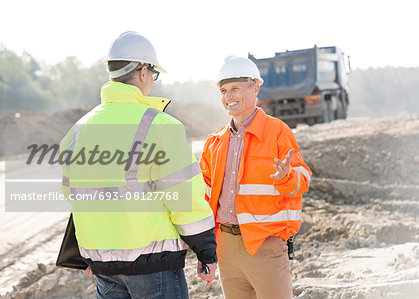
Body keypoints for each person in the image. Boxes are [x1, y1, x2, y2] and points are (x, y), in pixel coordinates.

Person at [60, 31, 217, 299]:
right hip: (153, 266)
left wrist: (91, 252)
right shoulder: (160, 126)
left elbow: (74, 194)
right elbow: (185, 199)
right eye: (154, 74)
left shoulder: (79, 129)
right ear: (143, 71)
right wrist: (206, 251)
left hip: (103, 268)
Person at [199, 56, 311, 299]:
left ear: (255, 87)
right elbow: (204, 196)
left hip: (265, 245)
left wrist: (286, 176)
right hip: (226, 247)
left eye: (235, 89)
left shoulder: (277, 131)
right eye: (224, 90)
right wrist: (205, 249)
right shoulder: (215, 141)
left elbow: (303, 180)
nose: (229, 96)